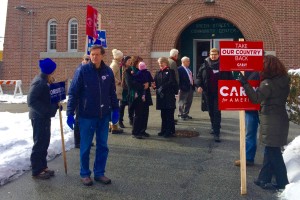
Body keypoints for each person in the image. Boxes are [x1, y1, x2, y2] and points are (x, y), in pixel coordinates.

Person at [66, 45, 119, 186]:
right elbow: (73, 93)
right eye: (92, 54)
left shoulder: (108, 71)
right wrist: (70, 113)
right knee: (85, 146)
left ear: (102, 55)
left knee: (103, 146)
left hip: (103, 116)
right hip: (86, 116)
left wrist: (115, 109)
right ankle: (84, 173)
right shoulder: (82, 70)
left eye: (97, 54)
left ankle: (99, 173)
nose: (94, 57)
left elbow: (112, 92)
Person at [238, 55, 290, 190]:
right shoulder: (284, 79)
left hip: (271, 120)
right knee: (270, 149)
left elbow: (256, 98)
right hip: (280, 118)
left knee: (274, 152)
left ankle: (283, 183)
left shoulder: (268, 83)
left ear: (268, 67)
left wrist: (245, 83)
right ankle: (263, 179)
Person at [27, 58, 59, 180]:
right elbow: (31, 101)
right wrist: (46, 111)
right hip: (39, 117)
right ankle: (36, 170)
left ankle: (43, 166)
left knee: (45, 141)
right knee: (39, 142)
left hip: (44, 116)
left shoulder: (45, 80)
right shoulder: (39, 82)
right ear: (49, 70)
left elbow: (45, 97)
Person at [195, 48, 233, 142]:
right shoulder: (204, 65)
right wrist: (199, 85)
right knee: (211, 111)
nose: (213, 56)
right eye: (212, 54)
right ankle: (213, 125)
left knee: (217, 112)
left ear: (219, 55)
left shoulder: (224, 66)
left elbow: (230, 78)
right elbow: (199, 77)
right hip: (208, 92)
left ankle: (217, 132)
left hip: (219, 93)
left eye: (215, 54)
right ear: (209, 54)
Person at [235, 71, 260, 166]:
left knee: (266, 136)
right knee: (250, 133)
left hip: (259, 106)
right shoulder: (242, 70)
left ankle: (270, 162)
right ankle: (248, 158)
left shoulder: (261, 70)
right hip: (249, 106)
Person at [125, 56, 152, 139]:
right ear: (135, 62)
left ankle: (142, 130)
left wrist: (149, 84)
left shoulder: (143, 71)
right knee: (138, 114)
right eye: (140, 62)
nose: (141, 63)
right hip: (136, 95)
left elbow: (149, 80)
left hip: (145, 95)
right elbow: (130, 84)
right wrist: (143, 86)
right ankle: (135, 132)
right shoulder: (129, 71)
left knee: (145, 113)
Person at [154, 57, 179, 138]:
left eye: (162, 62)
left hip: (169, 96)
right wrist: (154, 86)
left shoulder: (170, 71)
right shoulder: (158, 72)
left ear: (166, 63)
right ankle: (163, 130)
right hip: (161, 96)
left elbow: (171, 82)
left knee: (169, 114)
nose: (160, 64)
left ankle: (170, 131)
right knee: (163, 114)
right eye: (159, 63)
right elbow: (155, 82)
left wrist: (162, 87)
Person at [73, 54, 90, 148]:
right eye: (87, 59)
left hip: (89, 100)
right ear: (83, 59)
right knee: (79, 120)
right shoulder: (79, 70)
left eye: (89, 60)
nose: (88, 61)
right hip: (80, 100)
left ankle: (86, 139)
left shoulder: (90, 70)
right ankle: (78, 141)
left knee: (87, 121)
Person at [109, 49, 124, 134]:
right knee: (114, 109)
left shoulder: (116, 64)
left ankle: (112, 126)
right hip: (115, 89)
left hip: (116, 89)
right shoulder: (114, 65)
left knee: (113, 108)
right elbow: (111, 76)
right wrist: (118, 81)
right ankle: (114, 127)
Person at [119, 56, 133, 128]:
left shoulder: (131, 68)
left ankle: (131, 119)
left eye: (130, 60)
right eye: (128, 60)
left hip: (129, 89)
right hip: (123, 89)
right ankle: (120, 120)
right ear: (125, 61)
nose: (130, 61)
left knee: (131, 105)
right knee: (122, 105)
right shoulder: (121, 68)